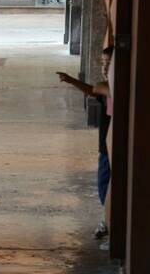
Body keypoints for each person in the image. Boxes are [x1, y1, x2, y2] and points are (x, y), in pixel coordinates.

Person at [56, 46, 113, 243]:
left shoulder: (114, 88)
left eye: (109, 64)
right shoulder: (108, 89)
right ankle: (108, 220)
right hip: (105, 148)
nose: (105, 68)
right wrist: (71, 80)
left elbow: (98, 88)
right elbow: (92, 90)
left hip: (113, 148)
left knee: (108, 187)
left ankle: (109, 224)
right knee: (104, 186)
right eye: (104, 64)